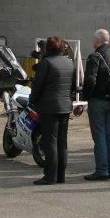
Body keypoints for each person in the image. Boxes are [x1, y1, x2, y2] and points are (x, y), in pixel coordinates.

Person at [28, 36, 75, 185]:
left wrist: (32, 100)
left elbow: (37, 85)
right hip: (65, 107)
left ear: (48, 48)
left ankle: (50, 176)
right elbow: (73, 87)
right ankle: (61, 176)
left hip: (49, 108)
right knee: (62, 142)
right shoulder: (69, 63)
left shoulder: (46, 63)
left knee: (50, 143)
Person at [82, 29, 110, 181]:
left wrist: (85, 97)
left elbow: (90, 80)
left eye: (93, 39)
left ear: (97, 40)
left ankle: (102, 170)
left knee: (99, 136)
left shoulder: (95, 56)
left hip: (98, 100)